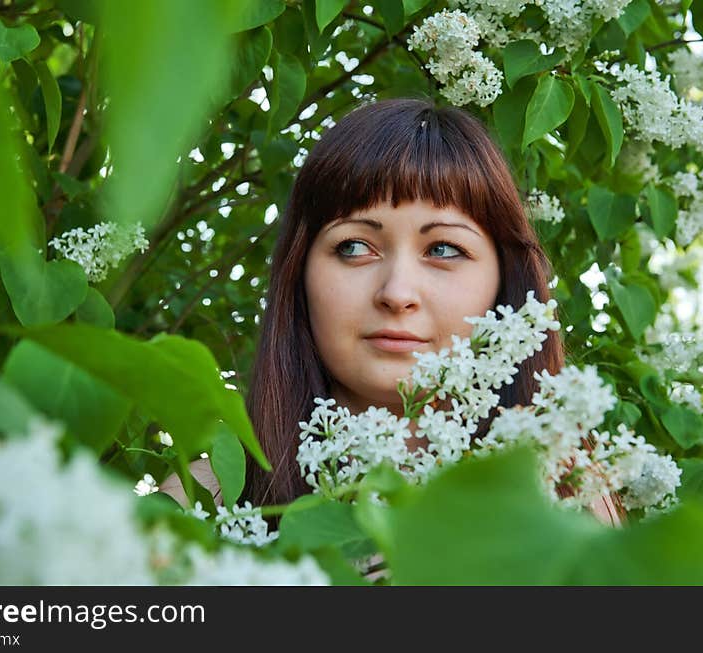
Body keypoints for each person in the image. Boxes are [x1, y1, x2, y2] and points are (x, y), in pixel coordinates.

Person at [161, 97, 624, 528]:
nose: (397, 293)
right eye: (354, 246)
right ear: (299, 274)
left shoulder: (567, 500)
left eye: (443, 248)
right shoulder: (205, 500)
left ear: (505, 282)